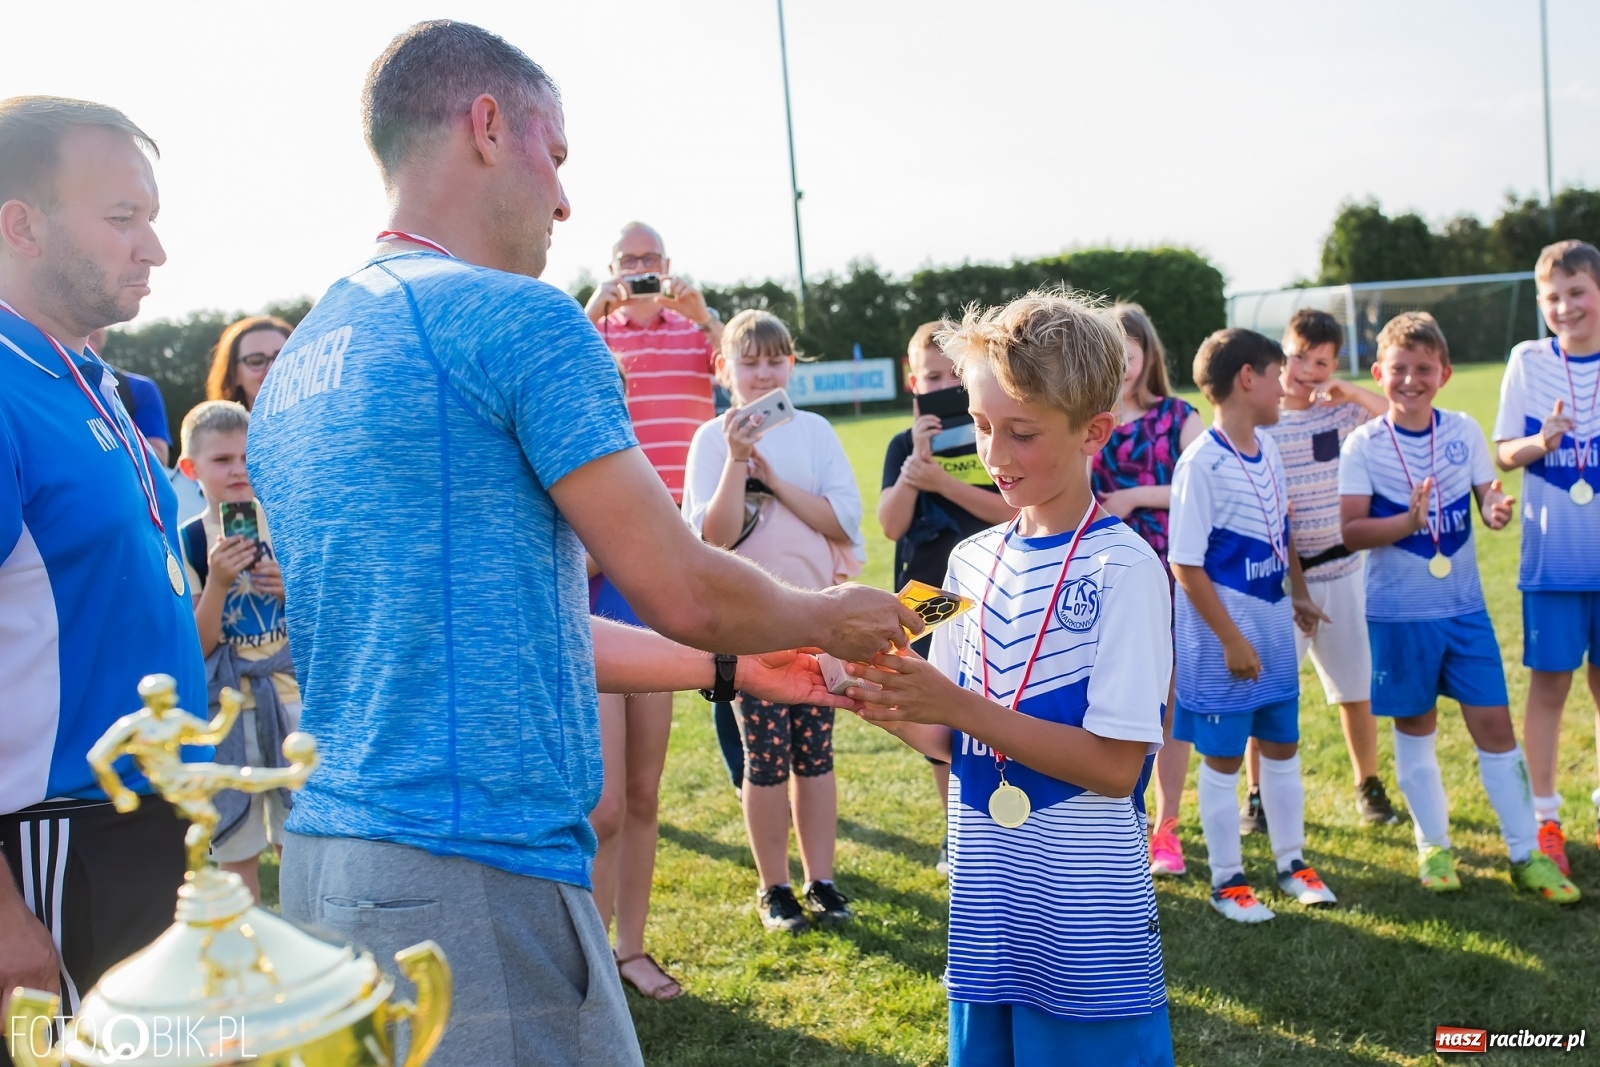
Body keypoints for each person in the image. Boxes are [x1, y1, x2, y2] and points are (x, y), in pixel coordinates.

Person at [245, 23, 917, 1067]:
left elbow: (509, 620)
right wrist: (828, 616)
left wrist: (735, 663)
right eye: (555, 157)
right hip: (471, 867)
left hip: (333, 865)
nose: (564, 201)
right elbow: (680, 583)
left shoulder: (299, 362)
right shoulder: (519, 317)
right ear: (486, 125)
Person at [843, 291, 1175, 1067]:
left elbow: (1114, 764)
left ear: (1094, 430)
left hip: (1087, 924)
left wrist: (954, 703)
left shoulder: (1127, 568)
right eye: (983, 425)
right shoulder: (965, 563)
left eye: (1022, 433)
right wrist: (866, 691)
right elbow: (941, 730)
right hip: (990, 915)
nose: (996, 454)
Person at [0, 96, 204, 1031]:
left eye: (152, 218)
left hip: (152, 824)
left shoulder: (93, 377)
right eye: (124, 218)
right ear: (20, 224)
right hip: (55, 840)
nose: (153, 247)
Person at [1340, 311, 1578, 902]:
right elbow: (1350, 531)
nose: (1411, 380)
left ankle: (1525, 855)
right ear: (1379, 372)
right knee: (1416, 726)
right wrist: (1406, 522)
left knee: (1495, 726)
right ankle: (1435, 846)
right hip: (1398, 615)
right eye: (1399, 369)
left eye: (1424, 369)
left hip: (1464, 610)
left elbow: (1488, 495)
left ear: (1443, 373)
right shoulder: (1363, 444)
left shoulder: (1464, 431)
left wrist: (1494, 509)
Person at [683, 309, 865, 933]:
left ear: (792, 362)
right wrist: (737, 460)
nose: (762, 373)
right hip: (747, 631)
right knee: (765, 760)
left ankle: (822, 878)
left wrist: (776, 480)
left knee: (816, 756)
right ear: (723, 368)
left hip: (817, 622)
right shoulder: (710, 439)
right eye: (749, 361)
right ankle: (775, 887)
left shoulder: (815, 432)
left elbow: (842, 524)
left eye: (774, 358)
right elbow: (713, 537)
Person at [1169, 328, 1337, 923]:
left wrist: (1301, 593)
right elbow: (1185, 563)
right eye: (1275, 376)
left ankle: (1292, 863)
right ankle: (1228, 881)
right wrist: (1232, 639)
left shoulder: (1267, 450)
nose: (1282, 388)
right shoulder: (1201, 462)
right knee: (1224, 759)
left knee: (1284, 747)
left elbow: (1281, 531)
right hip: (1224, 651)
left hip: (1271, 637)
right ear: (1248, 378)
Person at [584, 223, 739, 810]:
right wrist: (591, 309)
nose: (641, 268)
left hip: (685, 516)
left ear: (668, 263)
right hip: (609, 518)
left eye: (650, 258)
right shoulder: (591, 331)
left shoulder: (692, 331)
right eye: (630, 259)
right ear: (612, 267)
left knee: (710, 642)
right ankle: (615, 799)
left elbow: (740, 373)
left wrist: (707, 321)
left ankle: (745, 778)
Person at [1243, 309, 1396, 833]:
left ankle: (1367, 782)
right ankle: (1257, 793)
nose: (1307, 368)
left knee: (1355, 689)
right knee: (1267, 692)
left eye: (1321, 361)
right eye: (1298, 355)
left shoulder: (1341, 414)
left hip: (1344, 571)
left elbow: (1395, 416)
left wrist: (1350, 393)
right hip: (1280, 581)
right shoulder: (1262, 421)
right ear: (1281, 353)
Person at [878, 319, 1015, 874]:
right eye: (930, 376)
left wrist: (945, 484)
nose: (940, 386)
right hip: (928, 593)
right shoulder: (900, 444)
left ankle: (1005, 819)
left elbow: (1011, 511)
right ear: (914, 381)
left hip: (993, 587)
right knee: (936, 703)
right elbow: (889, 526)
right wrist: (914, 473)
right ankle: (957, 828)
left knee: (994, 701)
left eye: (951, 377)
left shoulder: (988, 435)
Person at [1492, 239, 1600, 875]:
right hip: (1552, 560)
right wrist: (1540, 440)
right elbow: (1503, 452)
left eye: (1578, 292)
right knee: (1551, 685)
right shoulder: (1528, 360)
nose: (1566, 307)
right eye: (1553, 297)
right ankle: (1545, 814)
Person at [1089, 303, 1202, 879]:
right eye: (1113, 344)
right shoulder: (1083, 417)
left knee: (1169, 708)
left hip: (1171, 573)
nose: (1125, 355)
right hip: (1101, 577)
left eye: (1132, 343)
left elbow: (1204, 488)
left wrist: (1135, 498)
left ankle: (1167, 827)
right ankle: (1114, 823)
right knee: (1110, 702)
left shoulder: (1180, 416)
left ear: (1148, 351)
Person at [175, 400, 298, 904]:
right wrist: (219, 581)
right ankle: (247, 956)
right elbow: (194, 646)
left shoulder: (287, 525)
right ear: (190, 469)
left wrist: (289, 588)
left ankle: (306, 948)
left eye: (247, 457)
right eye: (222, 460)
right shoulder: (186, 541)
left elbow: (325, 612)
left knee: (302, 835)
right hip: (225, 710)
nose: (238, 470)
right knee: (235, 847)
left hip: (290, 699)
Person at [91, 327, 174, 465]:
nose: (91, 327)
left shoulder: (139, 388)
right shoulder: (43, 387)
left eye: (95, 316)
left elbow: (158, 459)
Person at [205, 314, 291, 411]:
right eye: (256, 361)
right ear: (234, 373)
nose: (272, 369)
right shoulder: (214, 425)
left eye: (282, 358)